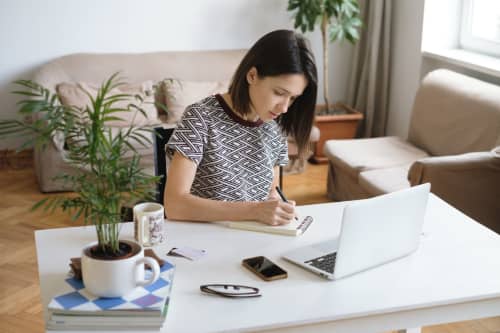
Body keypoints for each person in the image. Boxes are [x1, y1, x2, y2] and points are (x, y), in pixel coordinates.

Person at [165, 29, 318, 226]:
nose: (285, 107)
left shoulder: (274, 127)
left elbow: (273, 192)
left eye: (293, 98)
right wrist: (255, 211)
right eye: (279, 92)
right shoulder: (200, 117)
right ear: (252, 75)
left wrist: (277, 206)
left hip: (253, 238)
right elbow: (174, 204)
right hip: (205, 239)